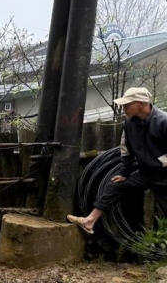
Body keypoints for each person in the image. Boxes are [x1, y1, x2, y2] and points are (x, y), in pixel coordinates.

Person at [68, 87, 167, 234]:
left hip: (165, 176)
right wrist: (125, 172)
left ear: (140, 103)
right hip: (146, 174)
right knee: (116, 185)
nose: (123, 108)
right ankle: (90, 221)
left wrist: (161, 164)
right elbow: (126, 149)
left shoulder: (163, 121)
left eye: (127, 104)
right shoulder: (129, 123)